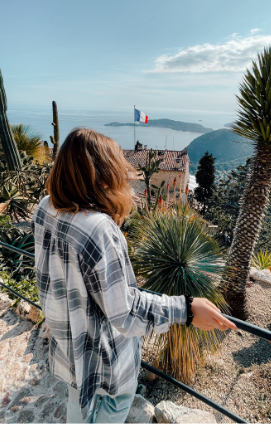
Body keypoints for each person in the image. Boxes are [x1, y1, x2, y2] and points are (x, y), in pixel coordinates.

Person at [33, 127, 237, 423]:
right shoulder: (98, 230)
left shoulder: (45, 207)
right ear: (103, 176)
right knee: (117, 400)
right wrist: (187, 309)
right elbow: (125, 312)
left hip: (67, 341)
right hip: (101, 355)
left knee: (78, 395)